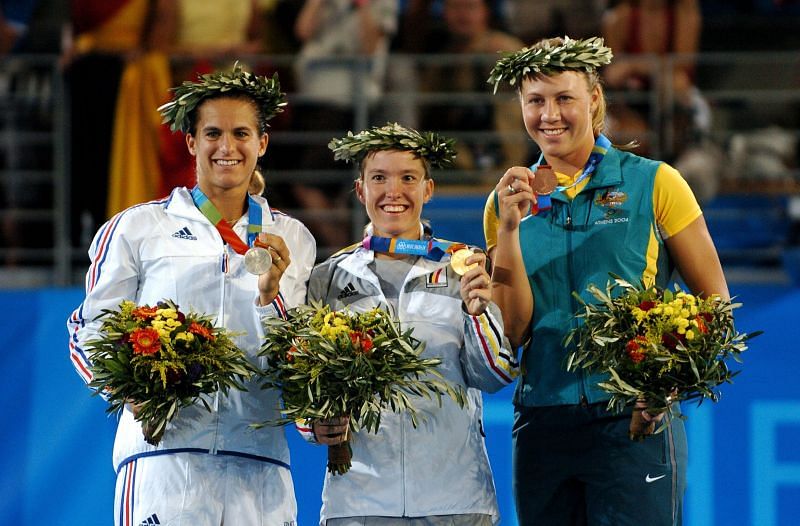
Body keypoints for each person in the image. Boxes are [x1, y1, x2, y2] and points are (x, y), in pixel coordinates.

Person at [483, 37, 729, 525]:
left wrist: (665, 384)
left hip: (634, 419)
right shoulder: (505, 202)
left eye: (563, 98)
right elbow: (510, 331)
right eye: (535, 101)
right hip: (542, 422)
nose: (549, 115)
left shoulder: (655, 182)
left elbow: (715, 305)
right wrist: (509, 231)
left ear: (594, 100)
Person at [67, 64, 315, 526]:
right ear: (191, 143)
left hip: (258, 460)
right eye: (213, 133)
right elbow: (88, 329)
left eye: (242, 133)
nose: (227, 147)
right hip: (163, 454)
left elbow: (296, 350)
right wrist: (128, 389)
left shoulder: (292, 238)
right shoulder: (138, 228)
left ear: (261, 143)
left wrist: (269, 296)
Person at [304, 122, 519, 525]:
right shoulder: (327, 278)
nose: (393, 192)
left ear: (428, 189)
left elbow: (495, 375)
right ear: (360, 190)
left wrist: (476, 314)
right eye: (379, 178)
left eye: (408, 178)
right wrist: (315, 424)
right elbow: (305, 391)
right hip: (359, 503)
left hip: (455, 498)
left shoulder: (462, 265)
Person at [418, 0, 528, 173]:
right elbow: (424, 103)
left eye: (470, 7)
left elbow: (530, 86)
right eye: (455, 7)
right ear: (444, 12)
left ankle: (505, 172)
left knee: (509, 106)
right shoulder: (442, 57)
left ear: (485, 12)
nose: (462, 15)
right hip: (459, 139)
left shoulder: (505, 46)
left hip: (499, 136)